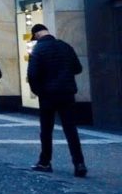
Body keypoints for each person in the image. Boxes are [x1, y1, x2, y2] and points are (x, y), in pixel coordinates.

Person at [26, 24, 87, 177]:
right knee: (71, 129)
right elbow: (78, 68)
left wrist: (38, 91)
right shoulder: (65, 46)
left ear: (37, 35)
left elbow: (32, 74)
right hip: (67, 93)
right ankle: (79, 163)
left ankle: (45, 162)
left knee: (46, 130)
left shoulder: (38, 50)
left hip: (47, 94)